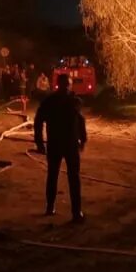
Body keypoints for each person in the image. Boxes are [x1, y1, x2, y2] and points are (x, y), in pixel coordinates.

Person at [34, 73, 87, 223]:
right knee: (72, 178)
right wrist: (82, 139)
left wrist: (39, 142)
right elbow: (80, 120)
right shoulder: (73, 101)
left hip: (57, 144)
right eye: (67, 85)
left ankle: (52, 207)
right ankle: (75, 212)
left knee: (54, 175)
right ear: (68, 85)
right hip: (68, 144)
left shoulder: (50, 101)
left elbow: (38, 121)